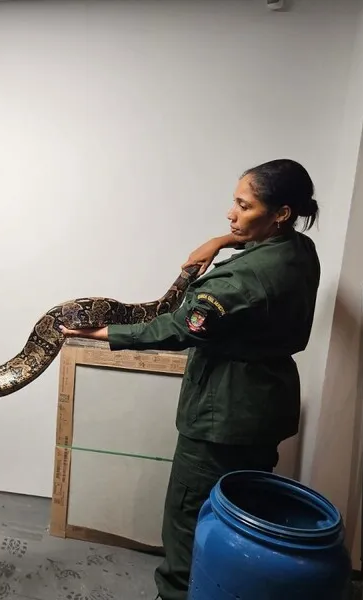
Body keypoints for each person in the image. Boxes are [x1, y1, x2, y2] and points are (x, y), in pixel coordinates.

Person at [59, 158, 321, 600]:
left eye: (243, 204)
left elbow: (179, 327)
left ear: (281, 212)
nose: (230, 213)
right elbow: (257, 256)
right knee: (240, 507)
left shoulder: (240, 279)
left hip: (222, 413)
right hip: (267, 407)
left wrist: (105, 333)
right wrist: (220, 241)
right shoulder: (298, 250)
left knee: (190, 514)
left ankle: (177, 592)